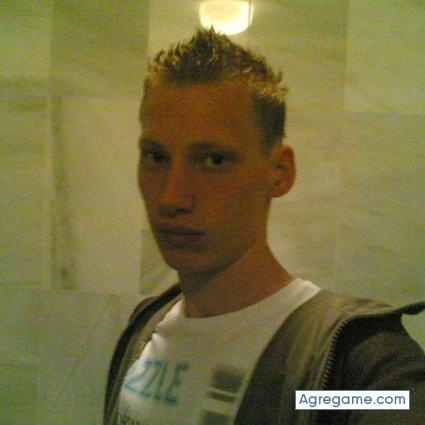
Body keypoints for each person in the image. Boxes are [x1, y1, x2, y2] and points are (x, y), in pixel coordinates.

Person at [104, 28, 425, 425]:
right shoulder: (145, 327)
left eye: (213, 161)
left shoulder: (359, 362)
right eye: (156, 157)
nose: (171, 198)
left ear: (279, 172)